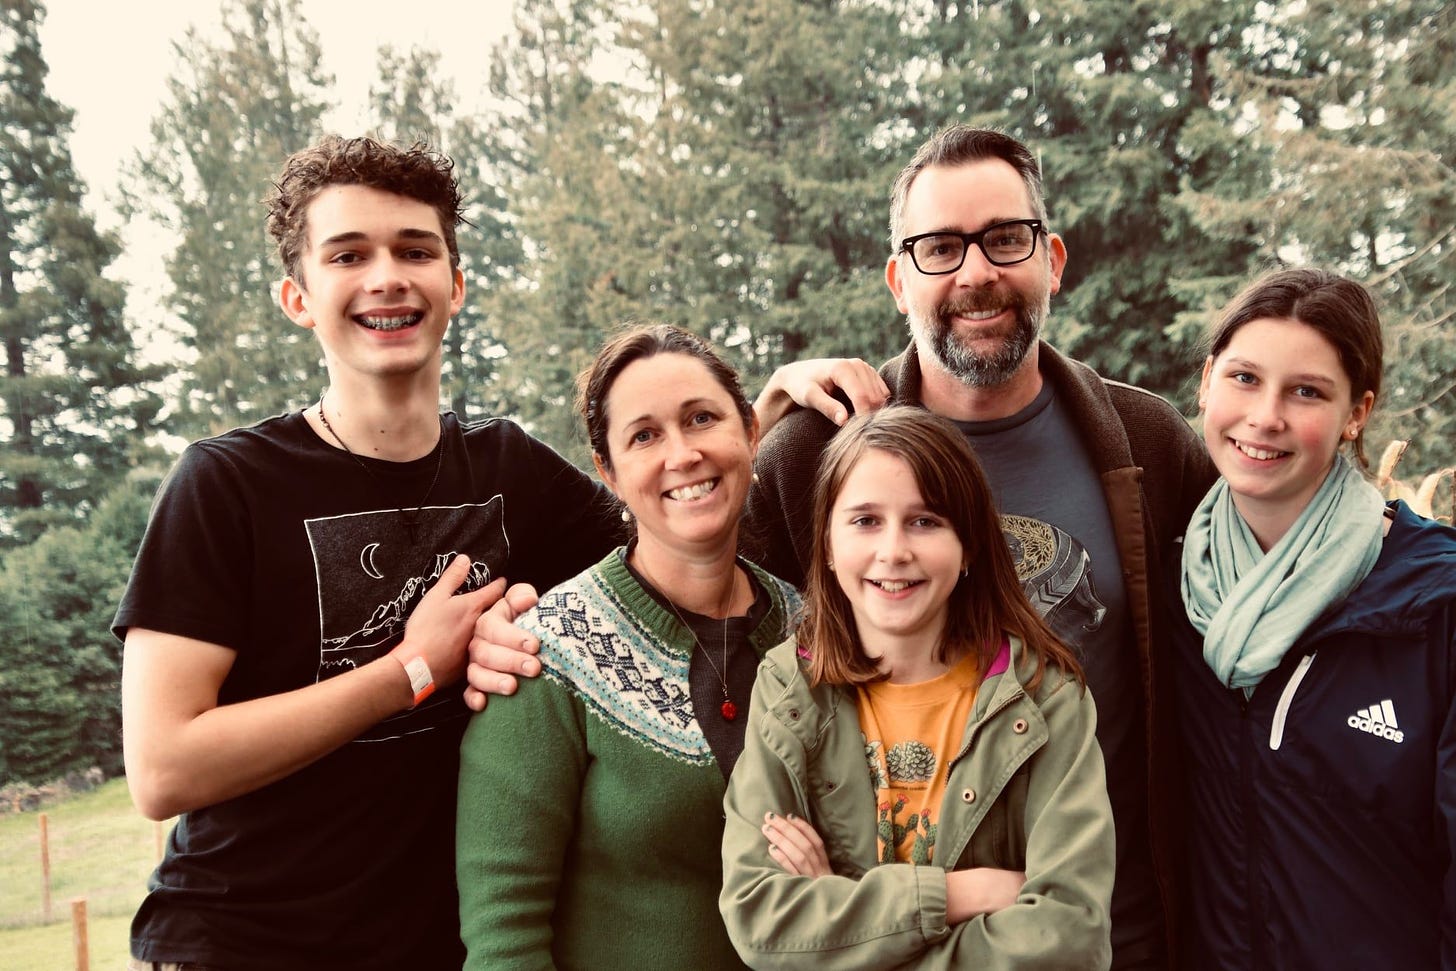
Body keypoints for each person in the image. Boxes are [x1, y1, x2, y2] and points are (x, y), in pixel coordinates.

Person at [114, 135, 628, 970]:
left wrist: (769, 421)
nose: (387, 275)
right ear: (298, 297)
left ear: (454, 285)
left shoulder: (510, 469)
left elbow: (680, 548)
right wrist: (412, 670)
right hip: (237, 944)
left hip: (433, 946)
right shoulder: (225, 484)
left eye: (414, 250)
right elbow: (163, 768)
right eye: (348, 254)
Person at [743, 125, 1214, 968]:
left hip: (1106, 933)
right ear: (898, 279)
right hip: (870, 943)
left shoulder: (1147, 442)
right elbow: (685, 573)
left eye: (1005, 238)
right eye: (938, 247)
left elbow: (1263, 574)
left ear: (1052, 259)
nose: (975, 272)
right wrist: (754, 421)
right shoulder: (812, 453)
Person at [455, 324, 800, 969]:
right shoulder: (544, 653)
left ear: (751, 432)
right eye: (645, 436)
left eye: (702, 418)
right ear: (607, 472)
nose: (682, 454)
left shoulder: (815, 633)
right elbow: (504, 938)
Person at [720, 405, 1114, 969]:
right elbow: (763, 921)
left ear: (970, 545)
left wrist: (844, 925)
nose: (894, 551)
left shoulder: (1044, 697)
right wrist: (959, 895)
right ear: (827, 546)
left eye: (926, 520)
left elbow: (1070, 937)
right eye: (865, 521)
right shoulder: (789, 690)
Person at [1171, 267, 1456, 969]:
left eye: (1306, 391)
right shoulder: (1173, 591)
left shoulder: (1435, 605)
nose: (1265, 416)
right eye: (1243, 378)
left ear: (1357, 412)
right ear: (1206, 381)